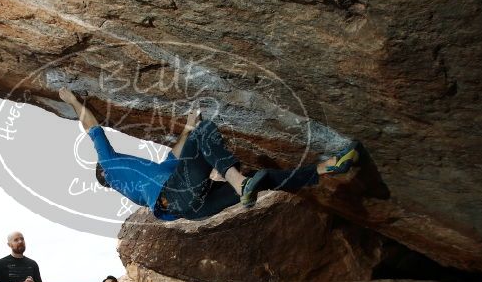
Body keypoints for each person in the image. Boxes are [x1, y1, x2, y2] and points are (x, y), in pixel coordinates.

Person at [58, 88, 361, 220]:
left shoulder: (140, 183)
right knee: (209, 133)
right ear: (104, 174)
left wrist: (187, 128)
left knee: (262, 179)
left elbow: (174, 160)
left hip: (190, 208)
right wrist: (72, 100)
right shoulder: (110, 167)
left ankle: (326, 169)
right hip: (178, 195)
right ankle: (237, 181)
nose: (103, 157)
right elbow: (92, 127)